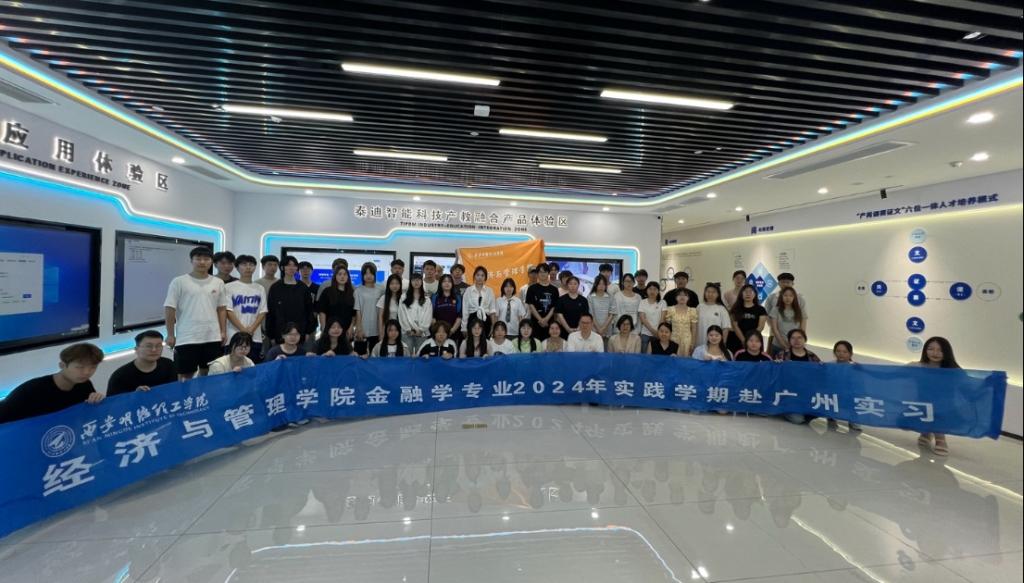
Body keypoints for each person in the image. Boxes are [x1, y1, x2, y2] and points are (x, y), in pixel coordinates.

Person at [164, 246, 229, 381]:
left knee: (209, 372)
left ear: (211, 262)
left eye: (206, 259)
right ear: (191, 261)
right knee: (185, 375)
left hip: (212, 336)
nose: (202, 262)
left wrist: (223, 331)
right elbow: (170, 308)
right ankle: (186, 395)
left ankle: (203, 394)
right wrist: (170, 334)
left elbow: (221, 308)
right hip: (187, 336)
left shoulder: (218, 282)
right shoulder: (179, 281)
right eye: (198, 259)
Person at [0, 343, 105, 423]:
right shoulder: (32, 390)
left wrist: (96, 400)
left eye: (93, 367)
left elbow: (89, 416)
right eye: (79, 367)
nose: (87, 372)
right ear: (62, 365)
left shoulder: (84, 384)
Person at [913, 337, 960, 456]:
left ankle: (940, 439)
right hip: (922, 403)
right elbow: (893, 374)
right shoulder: (917, 366)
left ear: (946, 352)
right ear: (925, 350)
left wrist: (990, 381)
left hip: (943, 406)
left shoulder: (953, 370)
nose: (935, 353)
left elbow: (969, 384)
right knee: (923, 415)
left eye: (940, 350)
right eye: (931, 349)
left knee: (937, 413)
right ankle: (926, 433)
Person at [225, 254, 268, 363]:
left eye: (251, 264)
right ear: (237, 267)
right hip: (233, 336)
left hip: (255, 337)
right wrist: (243, 330)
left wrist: (251, 329)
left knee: (252, 368)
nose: (248, 267)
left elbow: (263, 311)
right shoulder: (229, 287)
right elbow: (228, 311)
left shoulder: (260, 288)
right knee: (232, 368)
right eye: (244, 264)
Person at [266, 256, 316, 350]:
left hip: (300, 334)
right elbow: (271, 312)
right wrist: (271, 335)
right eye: (288, 265)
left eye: (294, 265)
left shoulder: (303, 287)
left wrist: (308, 332)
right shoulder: (275, 287)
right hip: (280, 334)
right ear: (282, 267)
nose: (292, 268)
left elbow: (309, 311)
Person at [107, 330, 177, 396]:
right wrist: (134, 396)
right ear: (136, 349)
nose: (154, 349)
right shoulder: (120, 376)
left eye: (158, 346)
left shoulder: (168, 365)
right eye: (149, 346)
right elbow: (113, 402)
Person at [775, 329, 822, 424]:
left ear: (805, 340)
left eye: (799, 338)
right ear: (789, 341)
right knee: (798, 420)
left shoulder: (812, 356)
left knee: (817, 411)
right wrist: (776, 365)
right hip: (789, 394)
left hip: (806, 394)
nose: (796, 340)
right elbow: (775, 376)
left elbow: (819, 376)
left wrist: (822, 367)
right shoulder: (782, 355)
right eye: (793, 338)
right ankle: (785, 411)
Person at [316, 265, 356, 340]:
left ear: (348, 277)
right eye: (339, 274)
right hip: (330, 330)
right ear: (335, 276)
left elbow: (354, 314)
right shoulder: (327, 291)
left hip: (347, 331)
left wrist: (351, 328)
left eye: (345, 274)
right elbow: (322, 312)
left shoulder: (352, 293)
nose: (342, 277)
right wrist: (324, 328)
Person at [354, 262, 385, 356]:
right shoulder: (358, 290)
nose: (368, 276)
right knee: (360, 356)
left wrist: (382, 330)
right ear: (362, 275)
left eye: (371, 273)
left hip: (377, 328)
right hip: (363, 329)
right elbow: (358, 311)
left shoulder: (381, 289)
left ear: (375, 275)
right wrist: (359, 329)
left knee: (376, 356)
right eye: (366, 273)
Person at [830, 340, 861, 432]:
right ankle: (831, 416)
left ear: (851, 354)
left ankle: (853, 421)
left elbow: (859, 386)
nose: (841, 354)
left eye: (845, 352)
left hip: (849, 395)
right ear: (834, 352)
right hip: (833, 394)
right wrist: (820, 366)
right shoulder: (830, 365)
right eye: (838, 351)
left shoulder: (855, 368)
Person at [768, 287, 807, 357]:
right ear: (781, 297)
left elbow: (802, 330)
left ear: (794, 297)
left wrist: (798, 343)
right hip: (778, 345)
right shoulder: (775, 309)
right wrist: (784, 345)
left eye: (791, 296)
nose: (788, 298)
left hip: (796, 346)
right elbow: (775, 329)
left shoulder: (800, 310)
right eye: (785, 295)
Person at [729, 284, 767, 354]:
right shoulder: (735, 309)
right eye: (745, 291)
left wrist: (750, 340)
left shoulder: (761, 309)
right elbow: (735, 326)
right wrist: (743, 340)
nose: (748, 294)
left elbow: (760, 327)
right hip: (736, 339)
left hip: (754, 340)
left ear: (755, 294)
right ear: (741, 294)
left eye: (751, 292)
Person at [399, 273, 432, 354]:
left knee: (421, 355)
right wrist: (408, 329)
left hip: (422, 333)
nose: (416, 282)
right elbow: (401, 314)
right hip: (407, 333)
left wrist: (421, 329)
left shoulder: (427, 299)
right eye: (413, 280)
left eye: (418, 280)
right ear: (410, 282)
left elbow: (428, 316)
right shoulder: (404, 297)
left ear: (422, 282)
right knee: (407, 355)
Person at [525, 264, 559, 340]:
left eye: (545, 272)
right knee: (536, 344)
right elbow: (531, 306)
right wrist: (540, 319)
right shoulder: (532, 288)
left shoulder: (554, 289)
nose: (542, 274)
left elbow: (554, 306)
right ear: (537, 274)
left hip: (549, 323)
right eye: (540, 272)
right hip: (535, 322)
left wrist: (546, 319)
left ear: (548, 273)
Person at [462, 266, 497, 337]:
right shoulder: (468, 290)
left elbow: (492, 310)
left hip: (485, 320)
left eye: (482, 275)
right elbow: (465, 310)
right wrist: (464, 327)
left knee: (485, 341)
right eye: (478, 275)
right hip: (472, 319)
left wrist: (493, 326)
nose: (480, 277)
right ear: (474, 276)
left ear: (485, 278)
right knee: (472, 341)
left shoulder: (489, 291)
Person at [695, 283, 731, 349]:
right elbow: (694, 325)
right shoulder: (699, 307)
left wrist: (723, 343)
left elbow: (726, 328)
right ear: (705, 293)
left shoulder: (721, 309)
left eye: (713, 292)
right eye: (708, 291)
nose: (710, 294)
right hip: (700, 341)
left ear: (718, 294)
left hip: (716, 343)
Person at [665, 286, 698, 357]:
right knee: (673, 359)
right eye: (679, 295)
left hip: (687, 340)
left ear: (688, 298)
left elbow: (694, 329)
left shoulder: (692, 311)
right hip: (673, 339)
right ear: (676, 297)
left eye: (685, 295)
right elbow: (667, 327)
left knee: (686, 361)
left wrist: (693, 343)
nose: (682, 297)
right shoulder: (670, 310)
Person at [432, 274, 463, 346]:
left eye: (449, 281)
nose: (447, 283)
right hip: (438, 333)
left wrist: (452, 330)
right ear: (440, 284)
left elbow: (459, 316)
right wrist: (439, 331)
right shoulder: (434, 297)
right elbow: (432, 316)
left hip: (453, 332)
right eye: (444, 281)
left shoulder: (458, 297)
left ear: (452, 284)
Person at [637, 282, 667, 352]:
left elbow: (662, 319)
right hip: (645, 333)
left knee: (656, 354)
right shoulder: (642, 302)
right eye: (650, 289)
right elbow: (643, 319)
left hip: (659, 333)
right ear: (646, 290)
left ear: (658, 291)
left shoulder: (662, 302)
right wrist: (653, 331)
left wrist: (658, 332)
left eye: (655, 289)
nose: (652, 291)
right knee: (644, 354)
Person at [588, 274, 615, 345]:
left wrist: (603, 328)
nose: (601, 286)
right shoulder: (590, 297)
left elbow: (612, 314)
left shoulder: (610, 297)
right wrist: (599, 329)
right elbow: (591, 314)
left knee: (606, 349)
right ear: (595, 285)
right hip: (594, 329)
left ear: (606, 285)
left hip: (607, 329)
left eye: (603, 284)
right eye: (599, 284)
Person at [377, 274, 405, 341]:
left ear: (400, 285)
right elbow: (380, 317)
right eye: (392, 283)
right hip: (387, 331)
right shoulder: (383, 298)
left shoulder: (404, 298)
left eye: (397, 283)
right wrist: (381, 333)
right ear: (388, 285)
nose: (394, 286)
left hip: (401, 332)